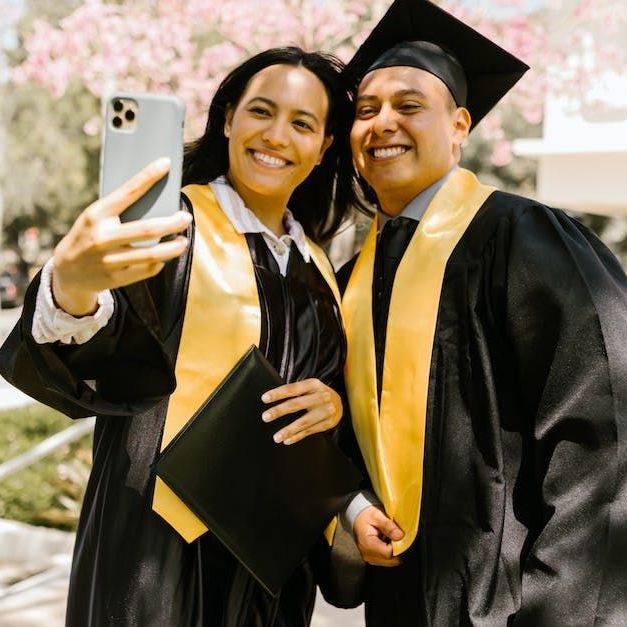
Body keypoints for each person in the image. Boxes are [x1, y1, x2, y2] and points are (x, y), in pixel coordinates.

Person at [0, 47, 362, 626]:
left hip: (270, 562)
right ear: (227, 119)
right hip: (155, 549)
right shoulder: (171, 230)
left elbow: (324, 407)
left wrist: (332, 405)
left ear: (323, 148)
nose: (275, 136)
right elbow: (105, 346)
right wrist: (71, 287)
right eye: (260, 112)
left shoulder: (320, 270)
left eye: (302, 124)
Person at [336, 0, 627, 624]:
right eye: (365, 111)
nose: (382, 123)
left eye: (409, 106)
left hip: (517, 599)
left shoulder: (524, 239)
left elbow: (603, 431)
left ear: (461, 124)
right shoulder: (352, 281)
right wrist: (352, 508)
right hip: (399, 597)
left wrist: (561, 606)